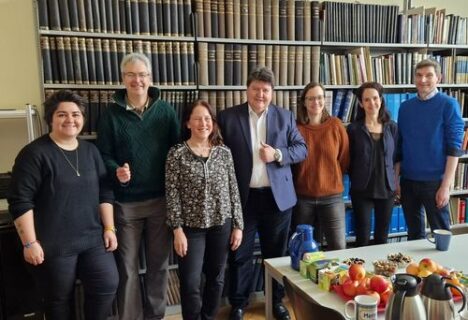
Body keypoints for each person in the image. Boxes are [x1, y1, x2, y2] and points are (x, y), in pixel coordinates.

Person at [7, 90, 119, 319]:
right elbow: (20, 201)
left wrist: (109, 228)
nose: (70, 119)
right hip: (52, 244)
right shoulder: (34, 154)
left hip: (92, 239)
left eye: (76, 114)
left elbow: (105, 191)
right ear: (51, 118)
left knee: (107, 285)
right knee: (57, 301)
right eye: (62, 114)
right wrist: (29, 243)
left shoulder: (90, 151)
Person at [217, 66, 307, 320]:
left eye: (265, 90)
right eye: (255, 89)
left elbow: (301, 149)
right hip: (242, 200)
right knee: (240, 254)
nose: (260, 94)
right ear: (247, 89)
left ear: (272, 92)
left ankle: (276, 302)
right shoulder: (228, 117)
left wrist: (277, 154)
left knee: (276, 255)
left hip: (277, 200)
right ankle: (238, 304)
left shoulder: (285, 117)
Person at [97, 53, 179, 319]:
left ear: (150, 78)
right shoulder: (110, 115)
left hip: (160, 202)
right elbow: (103, 154)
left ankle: (155, 316)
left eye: (142, 74)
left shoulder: (166, 111)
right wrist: (115, 170)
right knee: (128, 269)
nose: (137, 80)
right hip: (125, 205)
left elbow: (177, 151)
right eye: (131, 75)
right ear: (123, 79)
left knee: (158, 266)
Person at [165, 100, 244, 320]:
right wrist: (177, 229)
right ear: (188, 123)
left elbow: (233, 190)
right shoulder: (176, 154)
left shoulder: (224, 153)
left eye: (207, 118)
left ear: (213, 123)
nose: (203, 123)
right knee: (190, 282)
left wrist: (238, 225)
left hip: (221, 224)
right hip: (190, 228)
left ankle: (208, 317)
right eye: (197, 118)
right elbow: (171, 194)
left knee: (216, 278)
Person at [397, 58, 464, 240]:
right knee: (414, 235)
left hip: (435, 182)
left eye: (429, 75)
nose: (423, 80)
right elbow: (400, 146)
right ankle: (417, 269)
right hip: (408, 181)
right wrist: (397, 180)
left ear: (439, 78)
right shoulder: (405, 108)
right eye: (419, 75)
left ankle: (446, 269)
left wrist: (445, 186)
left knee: (441, 234)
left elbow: (454, 149)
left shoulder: (448, 105)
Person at [292, 82, 349, 250]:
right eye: (311, 98)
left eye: (319, 97)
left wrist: (329, 177)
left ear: (325, 100)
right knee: (305, 250)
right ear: (304, 102)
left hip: (331, 197)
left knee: (338, 247)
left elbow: (344, 159)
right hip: (302, 199)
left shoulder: (335, 125)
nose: (315, 102)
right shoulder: (295, 128)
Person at [347, 82, 398, 247]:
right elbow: (348, 159)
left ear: (381, 100)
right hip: (362, 190)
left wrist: (396, 182)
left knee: (382, 238)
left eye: (375, 98)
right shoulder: (353, 129)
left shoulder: (392, 127)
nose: (372, 103)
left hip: (387, 189)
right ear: (361, 103)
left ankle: (380, 273)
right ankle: (362, 272)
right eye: (367, 100)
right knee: (362, 238)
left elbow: (397, 157)